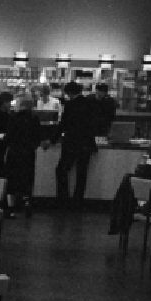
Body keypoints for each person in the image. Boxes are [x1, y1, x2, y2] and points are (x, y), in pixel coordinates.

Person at [52, 80, 99, 209]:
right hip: (86, 144)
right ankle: (78, 202)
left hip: (71, 143)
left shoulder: (70, 105)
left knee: (61, 170)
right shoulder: (90, 104)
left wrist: (53, 139)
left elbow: (63, 124)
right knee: (81, 173)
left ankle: (63, 200)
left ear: (70, 93)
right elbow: (93, 124)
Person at [3, 93, 43, 215]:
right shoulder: (34, 118)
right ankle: (27, 203)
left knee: (12, 180)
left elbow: (8, 137)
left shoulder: (13, 117)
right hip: (29, 153)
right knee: (27, 179)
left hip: (14, 152)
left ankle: (11, 209)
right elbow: (38, 137)